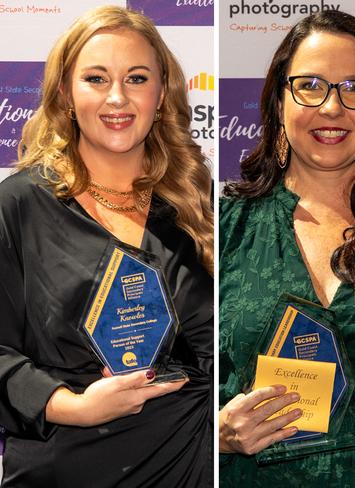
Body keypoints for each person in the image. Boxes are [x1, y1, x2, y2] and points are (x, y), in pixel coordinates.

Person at [0, 6, 213, 487]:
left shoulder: (193, 206)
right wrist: (70, 407)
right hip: (71, 464)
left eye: (137, 78)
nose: (118, 97)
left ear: (162, 95)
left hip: (188, 463)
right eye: (96, 78)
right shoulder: (17, 207)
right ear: (65, 94)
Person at [219, 10, 355, 486]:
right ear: (279, 102)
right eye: (310, 85)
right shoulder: (221, 225)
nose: (332, 108)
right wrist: (216, 431)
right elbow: (168, 377)